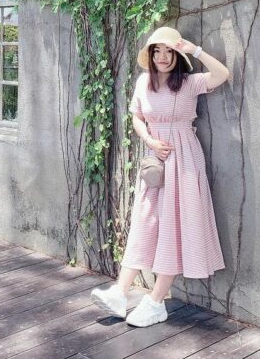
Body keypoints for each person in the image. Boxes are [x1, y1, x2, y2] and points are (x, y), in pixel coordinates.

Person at [91, 25, 230, 327]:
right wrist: (151, 142)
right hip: (156, 161)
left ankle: (155, 301)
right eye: (158, 51)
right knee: (146, 220)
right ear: (151, 55)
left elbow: (222, 74)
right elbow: (137, 117)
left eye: (169, 51)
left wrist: (195, 50)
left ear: (177, 55)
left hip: (184, 160)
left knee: (176, 225)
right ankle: (120, 292)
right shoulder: (144, 82)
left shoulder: (190, 83)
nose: (163, 57)